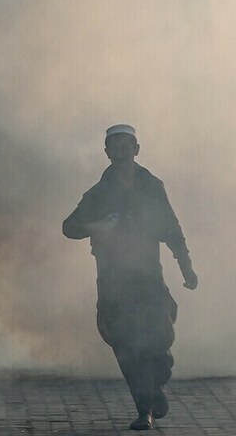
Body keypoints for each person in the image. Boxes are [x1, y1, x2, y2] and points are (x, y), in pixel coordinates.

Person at [62, 124, 198, 431]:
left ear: (136, 149)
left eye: (127, 147)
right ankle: (144, 408)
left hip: (149, 279)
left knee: (159, 340)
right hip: (113, 282)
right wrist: (97, 227)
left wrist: (186, 267)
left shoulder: (152, 187)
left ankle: (157, 382)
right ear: (107, 153)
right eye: (115, 147)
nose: (122, 153)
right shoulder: (98, 194)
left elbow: (172, 230)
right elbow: (69, 227)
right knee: (126, 345)